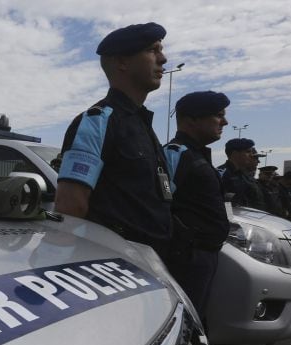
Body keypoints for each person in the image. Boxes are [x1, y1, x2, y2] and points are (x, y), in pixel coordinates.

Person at [55, 22, 172, 260]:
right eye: (153, 50)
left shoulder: (142, 124)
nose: (163, 59)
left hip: (153, 262)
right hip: (116, 266)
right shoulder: (97, 121)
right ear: (122, 62)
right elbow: (71, 207)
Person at [162, 91, 231, 320]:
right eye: (218, 115)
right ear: (191, 119)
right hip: (187, 258)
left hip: (204, 256)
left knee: (197, 319)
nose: (225, 122)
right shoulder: (175, 154)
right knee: (183, 321)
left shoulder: (197, 156)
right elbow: (160, 203)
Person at [218, 138, 265, 209]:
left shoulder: (244, 175)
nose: (251, 155)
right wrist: (230, 218)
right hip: (235, 218)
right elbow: (224, 204)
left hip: (252, 217)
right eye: (248, 152)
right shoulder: (222, 174)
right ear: (235, 154)